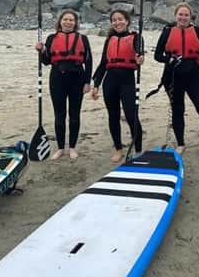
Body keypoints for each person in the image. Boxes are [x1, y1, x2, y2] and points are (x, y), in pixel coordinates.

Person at [153, 2, 199, 155]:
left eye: (186, 15)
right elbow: (157, 55)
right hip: (173, 76)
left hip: (194, 75)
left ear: (190, 17)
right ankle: (180, 143)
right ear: (176, 16)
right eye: (181, 14)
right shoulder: (167, 32)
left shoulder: (198, 31)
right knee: (178, 110)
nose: (183, 17)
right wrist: (169, 59)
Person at [35, 9, 93, 161]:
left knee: (74, 115)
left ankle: (72, 147)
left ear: (75, 23)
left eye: (71, 20)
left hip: (77, 79)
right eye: (65, 19)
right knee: (59, 114)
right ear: (60, 21)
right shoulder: (51, 38)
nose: (68, 22)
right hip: (57, 78)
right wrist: (41, 51)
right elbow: (47, 61)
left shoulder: (83, 38)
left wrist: (87, 82)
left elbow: (88, 61)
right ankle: (60, 147)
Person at [91, 10, 144, 163]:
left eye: (120, 19)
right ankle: (118, 149)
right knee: (113, 116)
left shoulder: (136, 37)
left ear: (127, 21)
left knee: (131, 115)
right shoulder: (109, 40)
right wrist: (96, 85)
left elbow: (140, 56)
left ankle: (138, 149)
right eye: (114, 20)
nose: (117, 22)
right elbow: (103, 64)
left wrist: (140, 59)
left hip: (127, 81)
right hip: (110, 82)